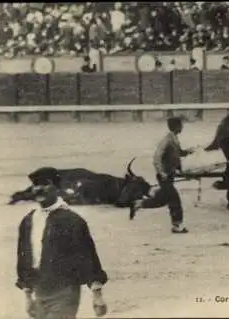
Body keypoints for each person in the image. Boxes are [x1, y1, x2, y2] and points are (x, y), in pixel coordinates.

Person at [16, 167, 108, 319]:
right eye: (36, 184)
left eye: (45, 184)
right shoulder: (28, 221)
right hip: (39, 293)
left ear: (57, 188)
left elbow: (88, 257)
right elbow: (24, 259)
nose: (39, 188)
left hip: (65, 293)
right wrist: (27, 295)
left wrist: (97, 296)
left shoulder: (72, 220)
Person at [129, 117, 195, 233]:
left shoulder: (174, 139)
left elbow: (177, 154)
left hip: (169, 175)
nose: (182, 127)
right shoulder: (167, 140)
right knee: (175, 200)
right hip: (164, 176)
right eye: (181, 125)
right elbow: (156, 158)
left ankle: (138, 204)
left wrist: (187, 152)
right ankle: (177, 225)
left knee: (162, 200)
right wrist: (162, 172)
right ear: (176, 127)